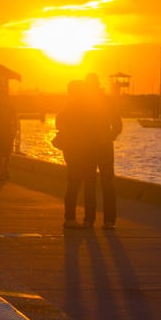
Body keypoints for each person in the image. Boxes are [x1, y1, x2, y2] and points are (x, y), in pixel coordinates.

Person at [55, 80, 98, 228]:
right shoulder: (89, 106)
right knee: (89, 186)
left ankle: (70, 218)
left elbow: (59, 123)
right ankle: (89, 220)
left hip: (71, 150)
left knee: (73, 184)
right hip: (88, 150)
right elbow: (94, 128)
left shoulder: (67, 107)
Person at [85, 73, 123, 229]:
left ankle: (89, 219)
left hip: (89, 147)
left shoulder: (84, 102)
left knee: (91, 183)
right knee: (107, 184)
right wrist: (110, 136)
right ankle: (108, 221)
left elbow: (117, 124)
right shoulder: (105, 101)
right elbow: (118, 124)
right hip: (101, 146)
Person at [0, 87, 18, 181]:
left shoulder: (11, 107)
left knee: (8, 154)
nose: (1, 99)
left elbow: (15, 120)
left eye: (3, 97)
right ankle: (2, 172)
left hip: (9, 133)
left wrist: (15, 131)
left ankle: (5, 170)